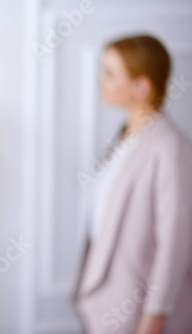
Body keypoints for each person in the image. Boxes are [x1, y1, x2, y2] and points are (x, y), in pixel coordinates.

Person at [72, 35, 192, 334]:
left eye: (110, 73)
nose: (101, 80)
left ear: (142, 86)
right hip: (105, 304)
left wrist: (153, 320)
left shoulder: (170, 148)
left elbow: (175, 245)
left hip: (137, 315)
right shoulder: (125, 138)